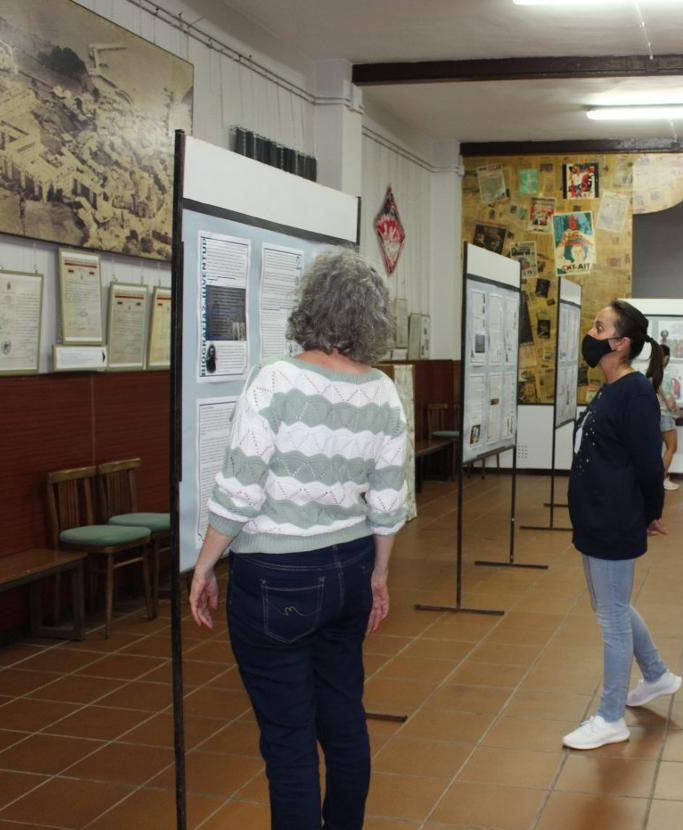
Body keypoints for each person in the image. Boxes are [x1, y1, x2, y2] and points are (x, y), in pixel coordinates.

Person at [188, 251, 408, 829]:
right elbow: (388, 501)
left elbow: (239, 488)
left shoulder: (276, 379)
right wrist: (379, 577)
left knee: (288, 744)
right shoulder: (383, 392)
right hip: (350, 566)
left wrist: (206, 565)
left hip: (276, 575)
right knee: (344, 722)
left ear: (309, 307)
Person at [563, 300, 682, 751]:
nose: (590, 334)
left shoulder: (633, 393)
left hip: (613, 519)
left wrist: (651, 513)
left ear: (621, 342)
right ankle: (656, 674)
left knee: (611, 617)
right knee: (612, 604)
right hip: (598, 515)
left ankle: (611, 717)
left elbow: (649, 465)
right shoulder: (611, 387)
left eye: (599, 327)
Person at [656, 344, 680, 491]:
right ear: (666, 358)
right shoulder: (664, 375)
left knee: (657, 449)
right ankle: (662, 479)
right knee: (672, 447)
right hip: (665, 415)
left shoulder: (650, 373)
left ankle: (657, 479)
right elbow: (669, 400)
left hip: (654, 415)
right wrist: (675, 408)